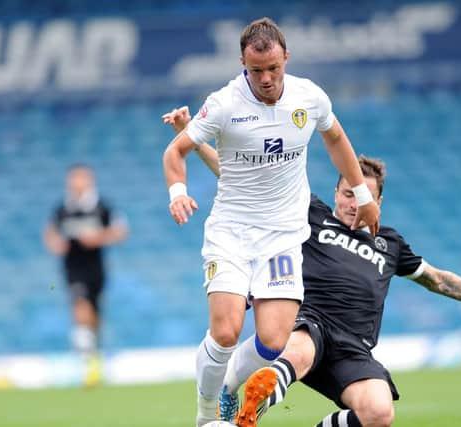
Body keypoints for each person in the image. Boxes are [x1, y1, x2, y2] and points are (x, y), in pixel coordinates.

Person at [162, 110, 461, 427]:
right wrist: (189, 138)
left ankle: (266, 395)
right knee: (298, 348)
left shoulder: (389, 244)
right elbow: (242, 177)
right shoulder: (312, 215)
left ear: (378, 201)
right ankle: (253, 402)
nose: (353, 203)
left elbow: (439, 280)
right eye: (347, 193)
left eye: (364, 198)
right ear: (338, 191)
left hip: (354, 348)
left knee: (378, 413)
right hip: (308, 324)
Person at [161, 17, 380, 427]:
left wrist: (363, 194)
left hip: (282, 237)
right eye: (255, 70)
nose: (265, 78)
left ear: (286, 59)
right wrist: (178, 194)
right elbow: (175, 153)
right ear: (242, 63)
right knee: (226, 332)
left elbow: (335, 140)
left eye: (273, 68)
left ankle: (227, 386)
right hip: (231, 233)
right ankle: (206, 414)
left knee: (274, 340)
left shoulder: (308, 97)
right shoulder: (224, 103)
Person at [43, 164, 128, 386]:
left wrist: (98, 238)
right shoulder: (63, 207)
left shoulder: (101, 206)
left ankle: (94, 355)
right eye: (74, 179)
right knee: (80, 304)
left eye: (81, 178)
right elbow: (50, 230)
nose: (77, 183)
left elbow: (120, 230)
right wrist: (55, 243)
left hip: (96, 267)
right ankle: (86, 363)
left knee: (94, 314)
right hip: (73, 267)